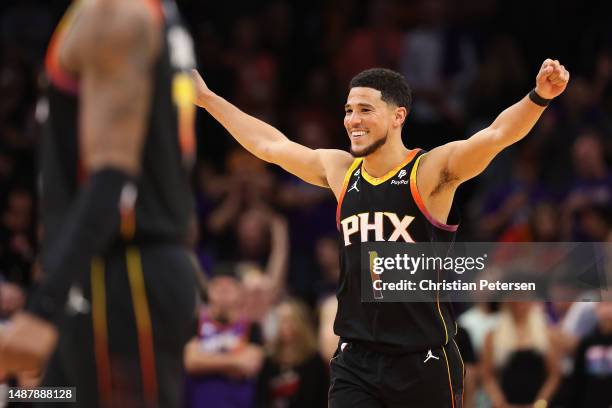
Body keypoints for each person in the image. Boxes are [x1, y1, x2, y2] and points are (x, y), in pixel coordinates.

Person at [191, 57, 570, 407]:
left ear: (397, 116)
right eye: (349, 111)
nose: (352, 120)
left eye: (365, 110)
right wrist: (207, 99)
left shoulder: (429, 172)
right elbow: (269, 144)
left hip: (423, 357)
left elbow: (497, 135)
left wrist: (538, 97)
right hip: (356, 358)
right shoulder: (340, 170)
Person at [0, 0, 199, 406]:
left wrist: (43, 307)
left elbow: (113, 177)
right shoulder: (148, 13)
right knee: (41, 400)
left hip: (123, 278)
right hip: (102, 271)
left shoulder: (116, 14)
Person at [183, 263, 264, 408]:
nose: (223, 291)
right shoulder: (195, 323)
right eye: (218, 286)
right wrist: (235, 361)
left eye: (229, 287)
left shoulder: (252, 327)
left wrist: (206, 360)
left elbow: (250, 365)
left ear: (240, 292)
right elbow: (191, 362)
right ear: (208, 291)